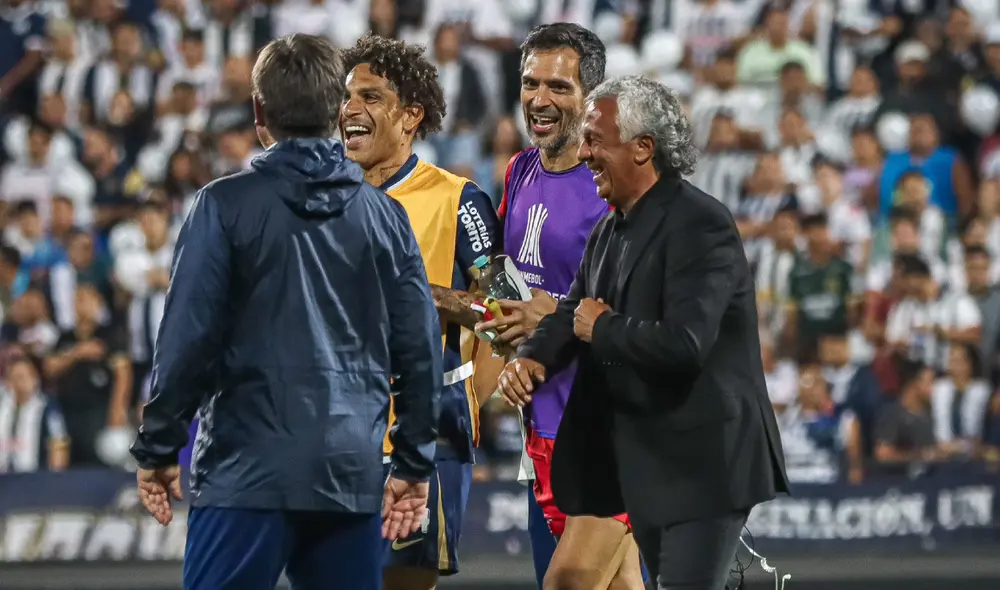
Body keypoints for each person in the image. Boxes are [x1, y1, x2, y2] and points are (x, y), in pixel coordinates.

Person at [129, 34, 443, 590]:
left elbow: (186, 342)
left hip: (245, 471)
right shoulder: (385, 217)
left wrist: (158, 446)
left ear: (258, 111)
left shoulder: (222, 206)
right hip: (348, 475)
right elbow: (419, 348)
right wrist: (414, 462)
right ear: (338, 110)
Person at [497, 75, 790, 590]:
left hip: (707, 465)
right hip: (648, 462)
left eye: (595, 140)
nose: (584, 152)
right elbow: (571, 311)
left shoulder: (701, 224)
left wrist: (603, 327)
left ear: (642, 149)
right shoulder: (613, 228)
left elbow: (685, 344)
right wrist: (534, 358)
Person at [474, 23, 645, 590]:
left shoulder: (615, 184)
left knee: (566, 583)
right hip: (541, 423)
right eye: (530, 83)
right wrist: (497, 364)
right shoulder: (519, 170)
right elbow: (504, 280)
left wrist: (552, 319)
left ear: (592, 97)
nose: (539, 100)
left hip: (606, 427)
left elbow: (642, 310)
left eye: (559, 87)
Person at [339, 34, 501, 590]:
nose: (350, 110)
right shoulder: (323, 197)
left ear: (411, 115)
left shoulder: (460, 199)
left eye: (371, 97)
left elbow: (501, 309)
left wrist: (419, 293)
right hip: (333, 426)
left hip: (424, 427)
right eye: (347, 97)